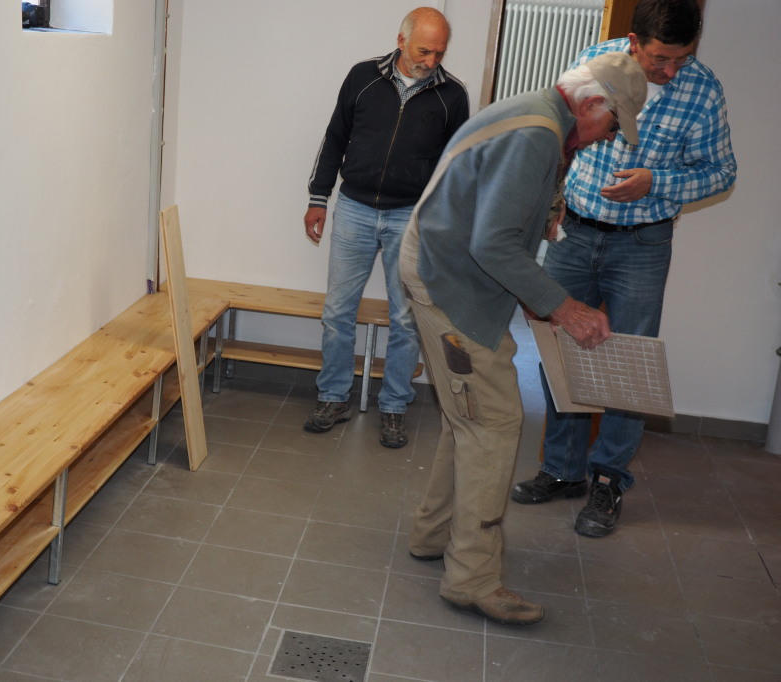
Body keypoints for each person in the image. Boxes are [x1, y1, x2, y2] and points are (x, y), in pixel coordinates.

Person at [400, 53, 648, 625]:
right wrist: (564, 307)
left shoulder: (536, 113)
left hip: (441, 266)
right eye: (612, 125)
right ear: (591, 104)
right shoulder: (537, 134)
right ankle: (472, 579)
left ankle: (433, 535)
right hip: (448, 278)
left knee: (468, 415)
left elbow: (492, 220)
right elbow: (493, 245)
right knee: (493, 422)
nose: (606, 137)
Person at [512, 0, 737, 538]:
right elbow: (560, 134)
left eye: (681, 59)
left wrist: (658, 182)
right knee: (560, 349)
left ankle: (608, 480)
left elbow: (722, 172)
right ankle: (561, 469)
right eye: (660, 59)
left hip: (642, 243)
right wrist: (552, 203)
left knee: (628, 364)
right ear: (634, 43)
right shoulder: (594, 61)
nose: (670, 71)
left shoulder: (704, 90)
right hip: (575, 232)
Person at [303, 7, 470, 448]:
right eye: (423, 51)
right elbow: (335, 137)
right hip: (354, 209)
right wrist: (319, 198)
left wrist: (442, 222)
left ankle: (394, 405)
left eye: (439, 53)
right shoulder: (362, 77)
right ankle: (333, 397)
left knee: (405, 318)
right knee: (338, 312)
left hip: (410, 218)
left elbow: (454, 166)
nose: (431, 61)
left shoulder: (452, 95)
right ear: (401, 41)